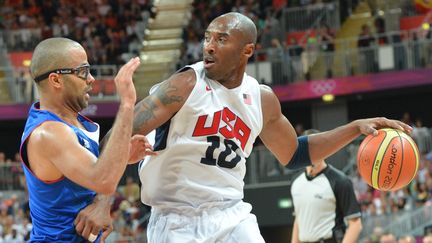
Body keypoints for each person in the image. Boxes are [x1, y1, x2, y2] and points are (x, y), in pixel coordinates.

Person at [126, 12, 412, 242]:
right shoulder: (186, 84)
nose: (209, 46)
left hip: (230, 214)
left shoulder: (261, 99)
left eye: (221, 39)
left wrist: (354, 128)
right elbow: (123, 130)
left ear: (247, 50)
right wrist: (102, 198)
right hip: (176, 219)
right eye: (207, 38)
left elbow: (295, 154)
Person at [19, 37, 154, 242]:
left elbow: (98, 178)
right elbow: (104, 180)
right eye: (82, 71)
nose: (91, 78)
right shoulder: (49, 133)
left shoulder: (74, 123)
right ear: (56, 80)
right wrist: (127, 103)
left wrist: (120, 160)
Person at [291, 129, 362, 243]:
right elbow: (298, 220)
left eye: (316, 148)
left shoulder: (340, 181)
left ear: (324, 149)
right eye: (308, 149)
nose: (312, 153)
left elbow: (355, 224)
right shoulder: (296, 182)